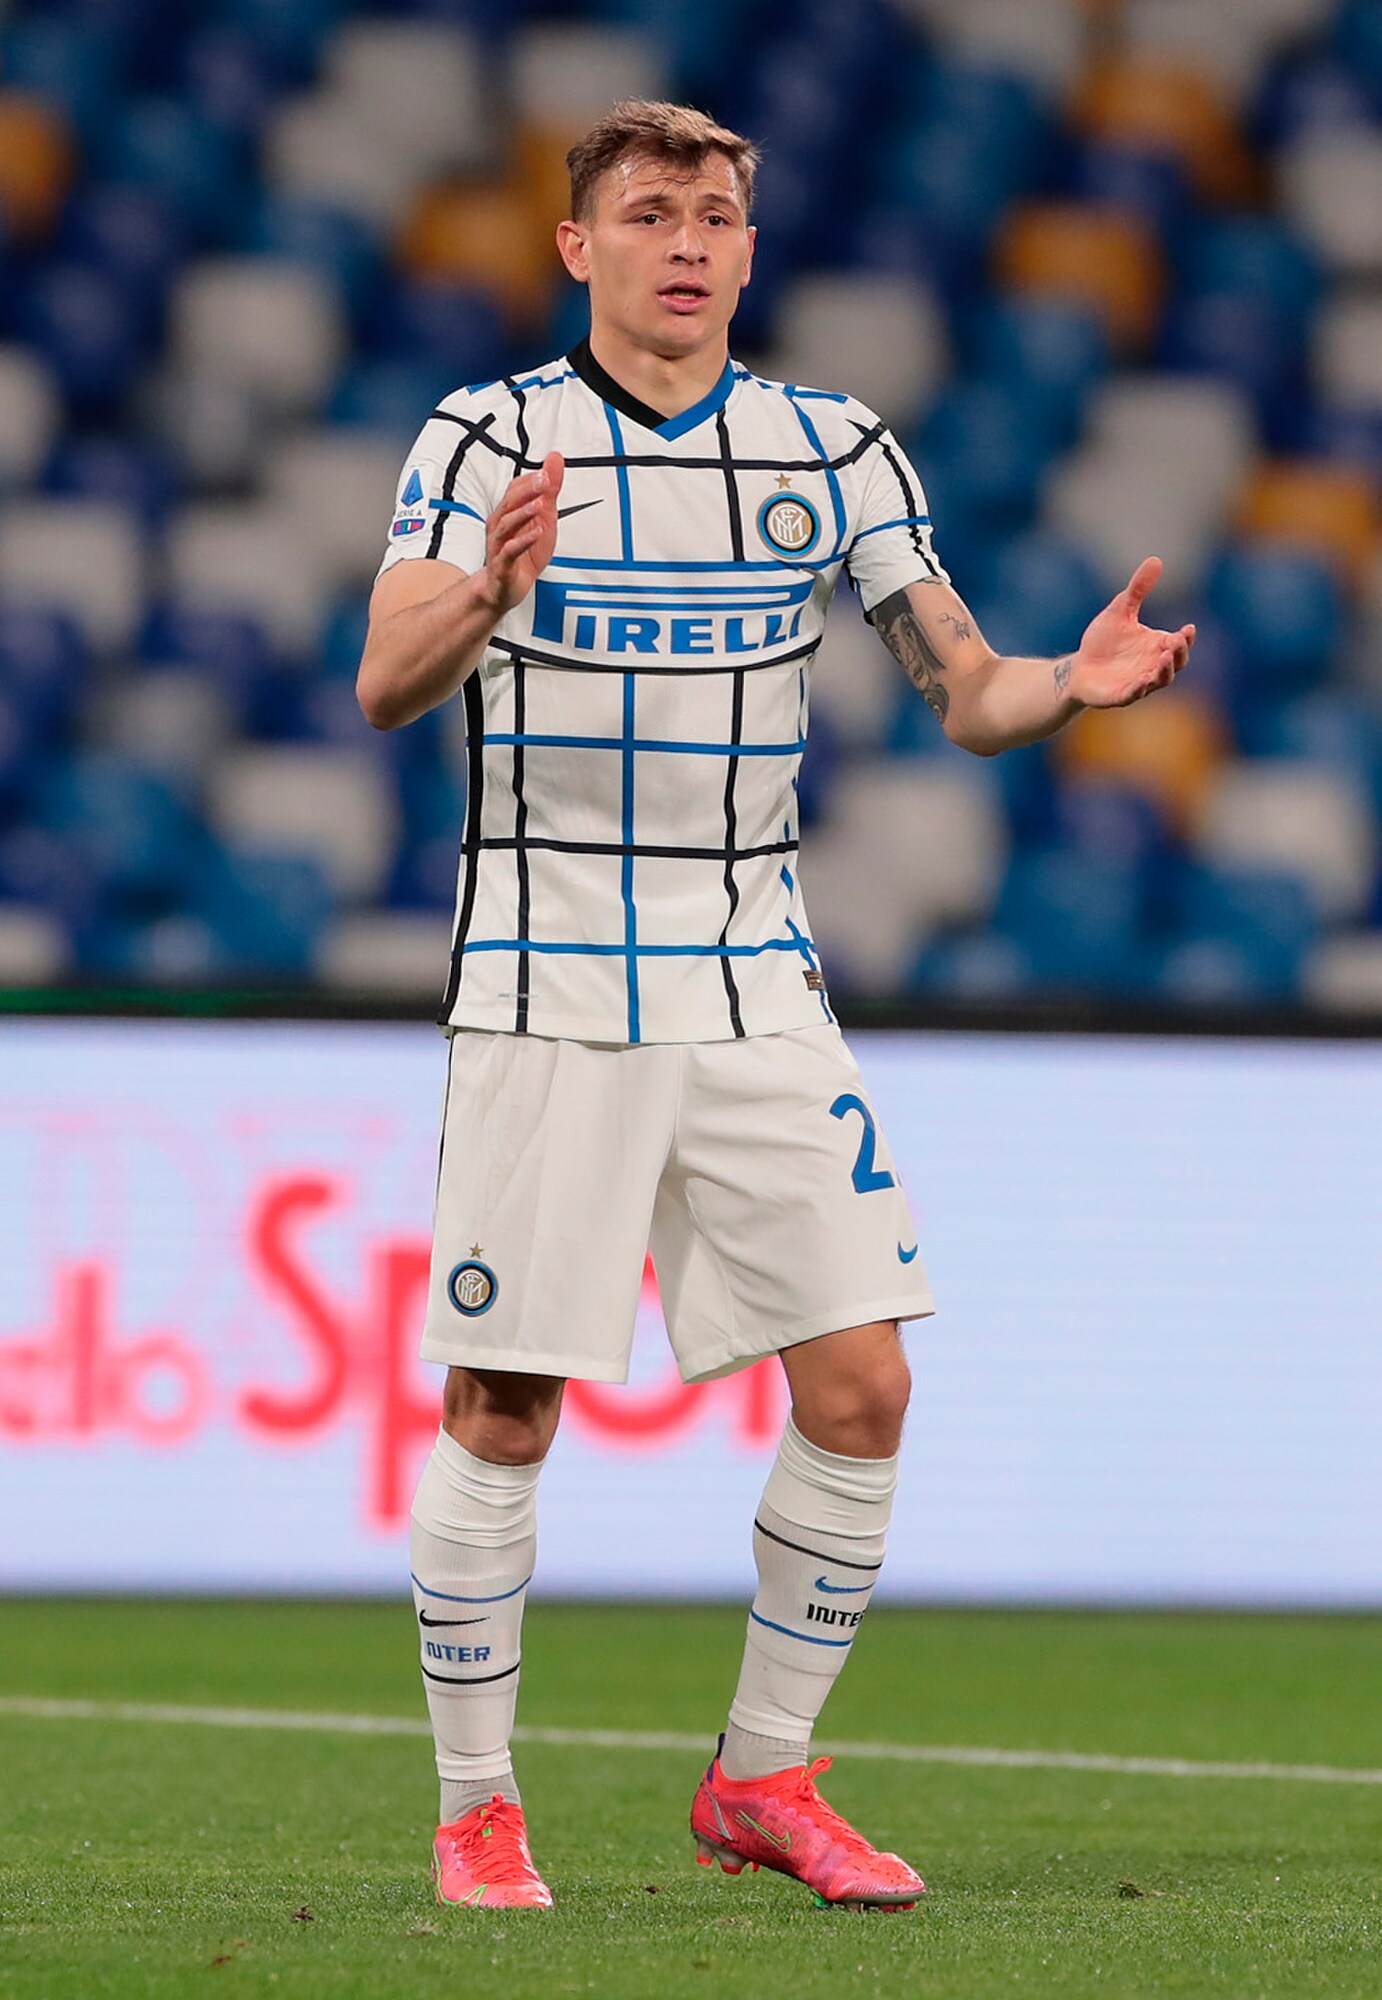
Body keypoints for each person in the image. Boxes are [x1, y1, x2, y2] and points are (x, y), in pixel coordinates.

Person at [357, 100, 1195, 1913]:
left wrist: (1066, 683)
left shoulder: (833, 446)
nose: (685, 241)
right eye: (647, 211)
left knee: (866, 1386)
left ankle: (761, 1777)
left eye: (714, 214)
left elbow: (964, 690)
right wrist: (489, 591)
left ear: (746, 249)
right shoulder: (488, 434)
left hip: (754, 986)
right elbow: (382, 682)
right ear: (576, 246)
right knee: (504, 1405)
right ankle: (476, 1808)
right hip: (545, 984)